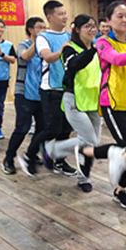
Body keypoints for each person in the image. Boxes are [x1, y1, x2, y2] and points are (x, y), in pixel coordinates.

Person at [81, 1, 126, 209]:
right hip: (113, 103)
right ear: (109, 21)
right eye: (120, 16)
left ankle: (120, 190)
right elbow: (117, 59)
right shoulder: (103, 42)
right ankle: (87, 152)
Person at [43, 14, 102, 192]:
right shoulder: (69, 48)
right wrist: (93, 50)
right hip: (74, 101)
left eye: (94, 26)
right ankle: (52, 150)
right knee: (88, 141)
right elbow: (75, 64)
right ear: (77, 29)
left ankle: (82, 177)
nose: (92, 30)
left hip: (93, 101)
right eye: (88, 26)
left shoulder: (97, 48)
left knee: (92, 144)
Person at [22, 0, 77, 178]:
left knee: (66, 129)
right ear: (50, 17)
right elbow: (48, 57)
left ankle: (60, 161)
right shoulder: (43, 37)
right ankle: (29, 156)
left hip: (69, 88)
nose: (65, 17)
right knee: (52, 129)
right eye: (60, 14)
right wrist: (63, 50)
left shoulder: (69, 35)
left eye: (65, 13)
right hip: (51, 89)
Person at [3, 17, 45, 175]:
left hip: (42, 94)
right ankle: (9, 158)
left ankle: (31, 154)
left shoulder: (45, 48)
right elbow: (26, 56)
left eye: (44, 27)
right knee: (22, 128)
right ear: (30, 30)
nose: (43, 30)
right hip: (24, 94)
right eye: (39, 27)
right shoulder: (24, 45)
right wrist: (39, 41)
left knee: (42, 128)